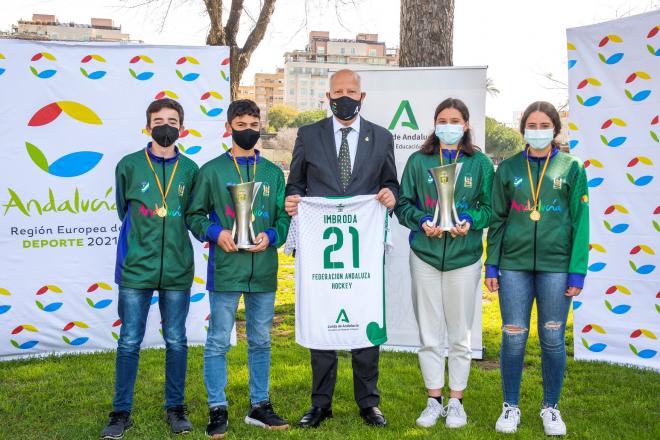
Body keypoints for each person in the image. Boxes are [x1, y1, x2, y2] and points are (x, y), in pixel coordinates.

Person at [285, 68, 399, 428]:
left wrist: (390, 195)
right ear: (328, 96)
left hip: (361, 249)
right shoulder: (308, 134)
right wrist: (292, 199)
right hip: (322, 248)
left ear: (362, 96)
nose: (345, 96)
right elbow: (296, 183)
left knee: (364, 319)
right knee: (323, 320)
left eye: (352, 91)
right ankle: (321, 403)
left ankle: (369, 402)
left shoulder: (382, 137)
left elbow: (391, 182)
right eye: (338, 91)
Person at [185, 99, 291, 438]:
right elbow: (195, 216)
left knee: (260, 339)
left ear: (261, 126)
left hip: (263, 270)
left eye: (253, 124)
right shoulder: (211, 170)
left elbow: (283, 217)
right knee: (218, 340)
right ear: (229, 128)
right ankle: (218, 408)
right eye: (241, 125)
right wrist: (217, 234)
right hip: (227, 267)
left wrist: (272, 235)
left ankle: (260, 406)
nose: (248, 131)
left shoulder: (273, 173)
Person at [485, 101, 589, 436]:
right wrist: (492, 264)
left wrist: (577, 271)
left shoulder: (571, 168)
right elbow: (498, 220)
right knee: (513, 337)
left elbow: (580, 222)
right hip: (513, 266)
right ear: (523, 129)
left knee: (553, 336)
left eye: (545, 125)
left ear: (555, 129)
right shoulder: (510, 168)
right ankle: (510, 406)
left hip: (556, 267)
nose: (539, 131)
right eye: (533, 124)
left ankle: (551, 408)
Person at [101, 98, 198, 439]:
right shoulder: (128, 165)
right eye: (158, 120)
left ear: (181, 128)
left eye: (172, 120)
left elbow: (193, 214)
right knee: (129, 341)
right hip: (135, 269)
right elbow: (121, 210)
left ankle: (176, 408)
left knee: (176, 340)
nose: (165, 126)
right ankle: (120, 412)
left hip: (176, 269)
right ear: (147, 126)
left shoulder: (190, 170)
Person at [395, 97, 494, 429]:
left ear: (465, 125)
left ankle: (456, 402)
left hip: (464, 257)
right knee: (429, 331)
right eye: (442, 120)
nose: (448, 125)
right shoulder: (418, 161)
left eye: (454, 120)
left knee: (460, 333)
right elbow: (403, 204)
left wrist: (469, 219)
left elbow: (490, 207)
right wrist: (422, 221)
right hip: (424, 254)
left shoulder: (479, 163)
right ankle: (433, 400)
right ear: (434, 124)